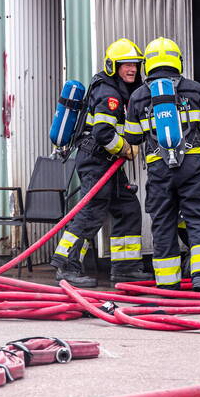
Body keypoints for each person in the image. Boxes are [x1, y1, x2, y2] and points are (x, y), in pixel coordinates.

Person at [124, 37, 200, 294]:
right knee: (199, 218)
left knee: (163, 222)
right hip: (193, 166)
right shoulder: (195, 90)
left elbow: (133, 137)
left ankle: (168, 285)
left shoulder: (138, 96)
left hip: (159, 169)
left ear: (148, 64)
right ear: (177, 61)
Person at [48, 38, 146, 287]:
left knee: (128, 209)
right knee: (91, 213)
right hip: (96, 161)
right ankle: (66, 266)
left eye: (135, 64)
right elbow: (103, 132)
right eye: (126, 65)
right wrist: (124, 147)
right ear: (114, 66)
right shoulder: (110, 93)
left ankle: (125, 269)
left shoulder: (120, 90)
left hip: (107, 164)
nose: (132, 69)